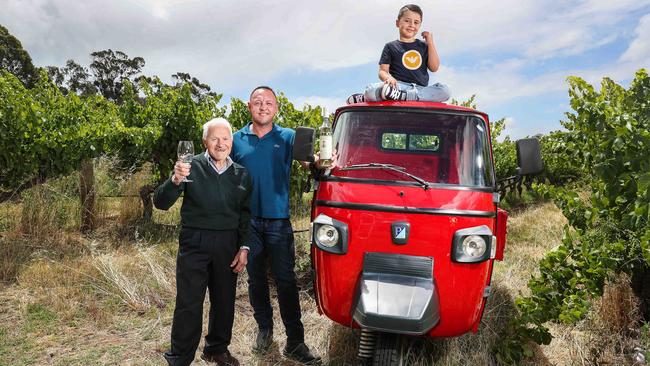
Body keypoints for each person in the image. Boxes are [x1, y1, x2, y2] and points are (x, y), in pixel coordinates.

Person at [230, 86, 320, 365]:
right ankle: (264, 329)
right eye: (258, 102)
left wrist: (317, 162)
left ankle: (295, 341)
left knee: (286, 281)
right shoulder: (235, 139)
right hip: (248, 222)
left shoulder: (289, 137)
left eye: (268, 103)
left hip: (279, 221)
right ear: (249, 107)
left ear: (276, 107)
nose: (263, 107)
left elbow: (309, 163)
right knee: (255, 279)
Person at [154, 118, 252, 366]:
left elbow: (245, 215)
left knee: (224, 300)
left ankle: (216, 349)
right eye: (214, 139)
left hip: (228, 243)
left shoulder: (241, 173)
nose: (221, 144)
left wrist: (244, 247)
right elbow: (161, 203)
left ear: (232, 141)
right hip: (194, 241)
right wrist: (175, 180)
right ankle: (180, 358)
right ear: (204, 142)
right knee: (189, 302)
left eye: (226, 138)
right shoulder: (189, 166)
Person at [347, 4, 450, 104]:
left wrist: (430, 43)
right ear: (397, 23)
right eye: (407, 21)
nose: (411, 25)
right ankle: (368, 96)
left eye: (416, 22)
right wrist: (388, 78)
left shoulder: (424, 46)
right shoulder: (390, 46)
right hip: (397, 87)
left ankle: (403, 97)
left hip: (420, 89)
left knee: (445, 91)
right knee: (370, 89)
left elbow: (434, 67)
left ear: (420, 25)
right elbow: (382, 71)